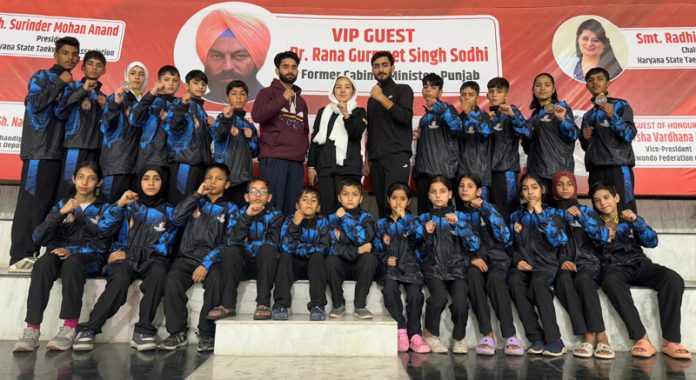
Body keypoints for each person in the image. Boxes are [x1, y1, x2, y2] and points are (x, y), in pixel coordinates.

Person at [73, 165, 179, 352]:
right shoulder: (128, 204)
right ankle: (89, 329)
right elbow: (103, 229)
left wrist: (131, 253)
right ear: (139, 181)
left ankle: (143, 331)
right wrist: (119, 204)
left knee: (159, 272)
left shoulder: (170, 210)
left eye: (156, 178)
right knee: (120, 280)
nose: (151, 183)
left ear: (163, 182)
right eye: (146, 178)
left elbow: (165, 246)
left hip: (152, 259)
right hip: (123, 258)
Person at [13, 162, 115, 352]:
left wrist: (74, 251)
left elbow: (103, 244)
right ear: (74, 179)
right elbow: (38, 237)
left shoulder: (105, 209)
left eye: (91, 178)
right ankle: (32, 330)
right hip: (59, 254)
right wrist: (60, 214)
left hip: (88, 258)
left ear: (99, 182)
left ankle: (69, 327)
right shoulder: (62, 205)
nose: (85, 183)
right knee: (43, 263)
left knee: (73, 263)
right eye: (81, 177)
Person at [590, 181, 690, 360]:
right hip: (614, 267)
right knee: (610, 283)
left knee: (673, 279)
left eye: (606, 197)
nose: (603, 203)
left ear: (616, 198)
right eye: (597, 200)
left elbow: (652, 241)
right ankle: (641, 339)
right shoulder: (593, 224)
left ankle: (671, 341)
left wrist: (637, 222)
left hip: (639, 264)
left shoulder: (629, 219)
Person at [10, 36, 80, 273]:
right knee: (30, 203)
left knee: (48, 204)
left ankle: (39, 252)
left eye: (74, 54)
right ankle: (19, 254)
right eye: (66, 53)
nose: (70, 58)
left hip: (58, 154)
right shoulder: (42, 76)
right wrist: (59, 83)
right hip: (38, 151)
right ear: (56, 56)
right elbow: (35, 104)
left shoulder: (72, 83)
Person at [160, 163, 238, 352]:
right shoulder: (195, 201)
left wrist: (207, 263)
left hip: (213, 261)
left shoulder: (231, 208)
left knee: (217, 281)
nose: (213, 182)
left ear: (227, 184)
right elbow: (175, 218)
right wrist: (197, 195)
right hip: (186, 258)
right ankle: (177, 332)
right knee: (171, 281)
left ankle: (207, 333)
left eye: (219, 179)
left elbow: (231, 240)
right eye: (209, 177)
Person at [457, 173, 524, 356]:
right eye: (462, 186)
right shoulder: (456, 214)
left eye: (470, 186)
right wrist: (471, 258)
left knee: (495, 279)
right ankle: (487, 334)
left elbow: (504, 236)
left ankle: (510, 335)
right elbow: (456, 247)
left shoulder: (490, 208)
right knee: (471, 274)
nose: (464, 189)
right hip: (474, 261)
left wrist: (486, 208)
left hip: (498, 260)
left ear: (479, 191)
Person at [552, 171, 615, 359]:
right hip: (563, 264)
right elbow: (547, 244)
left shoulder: (587, 211)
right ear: (553, 188)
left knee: (582, 279)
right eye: (560, 184)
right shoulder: (550, 213)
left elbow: (602, 237)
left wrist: (581, 217)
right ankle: (587, 335)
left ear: (575, 187)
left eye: (569, 184)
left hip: (588, 263)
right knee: (562, 280)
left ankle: (601, 335)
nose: (565, 188)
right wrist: (562, 261)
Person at [507, 173, 568, 357]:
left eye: (533, 187)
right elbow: (510, 245)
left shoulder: (553, 214)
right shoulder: (516, 216)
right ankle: (536, 337)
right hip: (524, 265)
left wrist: (541, 214)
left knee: (538, 284)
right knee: (514, 282)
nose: (529, 192)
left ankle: (554, 339)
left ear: (542, 190)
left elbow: (559, 240)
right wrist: (517, 261)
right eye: (525, 188)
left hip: (546, 265)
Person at [208, 177, 285, 321]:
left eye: (262, 192)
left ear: (269, 198)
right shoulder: (239, 214)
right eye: (253, 191)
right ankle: (227, 305)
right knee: (230, 252)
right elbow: (232, 240)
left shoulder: (277, 215)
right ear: (246, 197)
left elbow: (273, 243)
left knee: (268, 250)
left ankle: (263, 304)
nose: (257, 195)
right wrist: (247, 216)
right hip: (242, 266)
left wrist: (246, 245)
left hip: (266, 266)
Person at [419, 175, 479, 354]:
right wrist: (427, 234)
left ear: (450, 194)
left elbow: (474, 244)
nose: (438, 196)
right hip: (433, 269)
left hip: (457, 269)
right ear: (428, 195)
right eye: (434, 192)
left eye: (442, 191)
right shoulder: (422, 219)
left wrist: (460, 226)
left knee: (461, 302)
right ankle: (430, 335)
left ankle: (459, 338)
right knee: (439, 298)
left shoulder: (461, 216)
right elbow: (419, 252)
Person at [373, 182, 430, 353]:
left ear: (408, 202)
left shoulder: (414, 220)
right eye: (394, 198)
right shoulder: (382, 223)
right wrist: (384, 258)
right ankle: (401, 329)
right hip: (390, 270)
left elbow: (420, 240)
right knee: (390, 290)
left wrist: (404, 219)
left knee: (415, 295)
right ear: (388, 200)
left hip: (411, 268)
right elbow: (376, 247)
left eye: (402, 199)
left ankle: (415, 334)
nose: (398, 203)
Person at [251, 51, 309, 217]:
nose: (290, 70)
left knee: (293, 209)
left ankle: (287, 243)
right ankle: (269, 243)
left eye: (293, 67)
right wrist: (282, 98)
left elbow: (304, 130)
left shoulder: (302, 101)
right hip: (274, 158)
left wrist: (303, 151)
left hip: (296, 162)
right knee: (272, 206)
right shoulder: (267, 93)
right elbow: (257, 115)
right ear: (277, 71)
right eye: (285, 67)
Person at [580, 67, 637, 213]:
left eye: (600, 79)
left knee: (624, 210)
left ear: (608, 83)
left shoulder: (620, 105)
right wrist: (584, 137)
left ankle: (626, 237)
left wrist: (613, 116)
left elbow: (629, 135)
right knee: (601, 212)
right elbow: (587, 147)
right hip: (596, 170)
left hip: (618, 167)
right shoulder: (588, 115)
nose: (595, 83)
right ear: (587, 85)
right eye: (591, 80)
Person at [307, 76, 367, 215]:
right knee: (327, 212)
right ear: (333, 90)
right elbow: (315, 140)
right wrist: (311, 166)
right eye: (338, 87)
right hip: (326, 170)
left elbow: (355, 133)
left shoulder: (359, 112)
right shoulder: (324, 112)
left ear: (353, 91)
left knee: (349, 212)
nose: (342, 90)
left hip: (349, 171)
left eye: (347, 87)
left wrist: (346, 113)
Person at [365, 51, 414, 217]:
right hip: (376, 160)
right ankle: (385, 242)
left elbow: (405, 117)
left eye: (385, 65)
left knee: (397, 207)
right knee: (383, 208)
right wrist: (367, 158)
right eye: (376, 66)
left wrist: (381, 98)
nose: (381, 70)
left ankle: (400, 243)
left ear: (393, 68)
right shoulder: (371, 99)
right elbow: (371, 130)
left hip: (396, 157)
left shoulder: (403, 89)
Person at [54, 51, 107, 205]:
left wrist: (106, 108)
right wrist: (83, 90)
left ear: (104, 71)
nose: (94, 68)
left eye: (99, 65)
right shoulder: (72, 87)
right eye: (90, 64)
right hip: (74, 148)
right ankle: (61, 225)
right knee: (67, 190)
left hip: (95, 150)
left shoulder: (104, 97)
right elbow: (60, 111)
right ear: (82, 67)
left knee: (89, 194)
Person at [274, 186, 330, 321]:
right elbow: (285, 246)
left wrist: (300, 247)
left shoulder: (323, 221)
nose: (309, 203)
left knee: (317, 256)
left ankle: (317, 306)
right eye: (304, 200)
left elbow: (324, 247)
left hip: (315, 268)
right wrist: (295, 224)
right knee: (285, 256)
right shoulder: (289, 220)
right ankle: (280, 305)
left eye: (313, 200)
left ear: (318, 207)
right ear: (297, 205)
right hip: (294, 266)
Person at [325, 178, 378, 319]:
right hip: (340, 264)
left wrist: (345, 218)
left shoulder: (367, 217)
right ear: (339, 198)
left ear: (361, 198)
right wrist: (357, 250)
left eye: (354, 194)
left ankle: (360, 306)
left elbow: (363, 239)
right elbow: (330, 247)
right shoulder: (331, 219)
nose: (350, 198)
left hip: (360, 266)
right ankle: (338, 305)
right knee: (330, 260)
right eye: (345, 194)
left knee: (370, 258)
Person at [523, 73, 578, 205]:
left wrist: (562, 120)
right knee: (542, 215)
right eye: (538, 85)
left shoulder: (561, 108)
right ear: (533, 89)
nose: (542, 88)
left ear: (553, 89)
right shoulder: (533, 116)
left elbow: (572, 135)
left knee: (561, 215)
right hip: (536, 174)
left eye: (547, 85)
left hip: (557, 173)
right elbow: (527, 149)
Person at [413, 73, 462, 214]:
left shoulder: (447, 109)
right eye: (425, 86)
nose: (428, 89)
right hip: (423, 175)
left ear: (440, 92)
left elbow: (457, 127)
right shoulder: (424, 119)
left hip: (442, 174)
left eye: (433, 87)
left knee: (444, 219)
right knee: (424, 218)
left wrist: (440, 109)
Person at [196, 9, 270, 102]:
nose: (227, 67)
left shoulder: (270, 102)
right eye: (217, 56)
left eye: (240, 56)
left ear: (257, 59)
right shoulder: (196, 105)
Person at [101, 62, 149, 202]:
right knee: (110, 206)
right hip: (116, 165)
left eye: (141, 74)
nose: (137, 77)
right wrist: (115, 104)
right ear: (126, 76)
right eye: (132, 73)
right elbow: (105, 126)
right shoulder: (116, 97)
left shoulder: (145, 102)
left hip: (135, 167)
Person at [164, 70, 212, 205]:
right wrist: (182, 107)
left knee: (193, 208)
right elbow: (172, 128)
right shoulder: (180, 104)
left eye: (203, 84)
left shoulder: (201, 110)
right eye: (196, 83)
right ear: (186, 86)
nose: (200, 86)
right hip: (184, 163)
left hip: (200, 165)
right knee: (180, 205)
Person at [487, 77, 531, 222]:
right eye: (491, 91)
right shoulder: (487, 116)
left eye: (499, 91)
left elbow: (527, 133)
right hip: (487, 172)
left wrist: (513, 116)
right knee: (491, 215)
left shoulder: (513, 112)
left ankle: (512, 244)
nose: (494, 94)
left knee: (508, 213)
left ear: (506, 95)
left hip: (506, 170)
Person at [211, 80, 259, 207]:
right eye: (234, 93)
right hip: (223, 179)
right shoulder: (222, 117)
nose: (238, 97)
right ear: (227, 97)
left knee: (238, 216)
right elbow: (217, 135)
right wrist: (226, 119)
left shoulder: (250, 125)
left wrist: (251, 138)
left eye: (242, 94)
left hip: (243, 180)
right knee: (220, 216)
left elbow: (255, 152)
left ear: (247, 98)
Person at [130, 65, 181, 176]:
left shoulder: (182, 106)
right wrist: (152, 93)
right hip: (150, 159)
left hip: (174, 161)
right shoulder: (151, 102)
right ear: (159, 82)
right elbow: (134, 119)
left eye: (175, 80)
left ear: (180, 84)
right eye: (166, 80)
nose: (171, 83)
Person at [457, 81, 493, 202]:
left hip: (480, 177)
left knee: (482, 214)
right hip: (461, 177)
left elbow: (487, 132)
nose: (466, 97)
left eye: (470, 94)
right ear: (459, 97)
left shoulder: (484, 116)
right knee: (463, 216)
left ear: (477, 98)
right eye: (463, 94)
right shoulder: (456, 119)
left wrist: (470, 114)